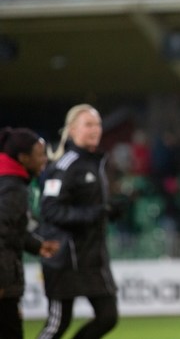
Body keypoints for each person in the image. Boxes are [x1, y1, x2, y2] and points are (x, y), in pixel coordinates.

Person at [36, 104, 120, 339]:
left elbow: (92, 209)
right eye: (88, 124)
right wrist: (95, 213)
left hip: (93, 257)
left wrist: (110, 212)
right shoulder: (65, 165)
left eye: (98, 124)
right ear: (72, 129)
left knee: (107, 317)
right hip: (65, 258)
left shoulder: (95, 162)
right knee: (58, 325)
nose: (95, 129)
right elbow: (50, 210)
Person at [0, 127, 59, 339]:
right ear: (23, 158)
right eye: (40, 154)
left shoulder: (7, 182)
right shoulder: (13, 188)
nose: (44, 159)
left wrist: (36, 245)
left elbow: (11, 229)